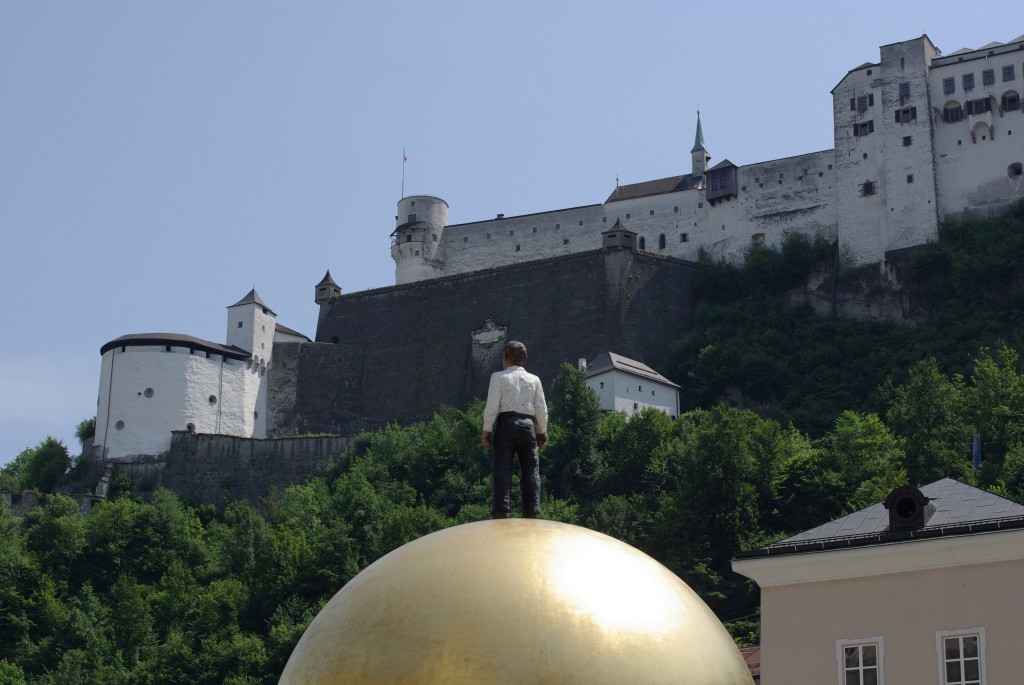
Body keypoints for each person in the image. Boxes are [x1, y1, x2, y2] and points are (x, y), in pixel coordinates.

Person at [481, 340, 548, 519]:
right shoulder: (534, 380)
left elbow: (492, 406)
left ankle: (501, 510)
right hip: (528, 425)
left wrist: (486, 429)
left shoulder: (498, 377)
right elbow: (541, 408)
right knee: (531, 470)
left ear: (505, 356)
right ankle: (532, 510)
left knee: (502, 468)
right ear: (524, 359)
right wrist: (542, 431)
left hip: (506, 424)